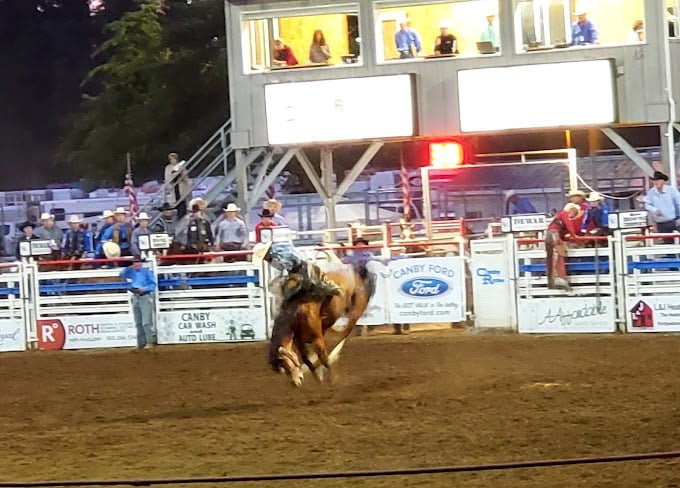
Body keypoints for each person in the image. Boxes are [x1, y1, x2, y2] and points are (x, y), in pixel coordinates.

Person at [120, 257, 157, 350]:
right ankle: (140, 343)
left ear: (141, 263)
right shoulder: (131, 271)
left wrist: (144, 289)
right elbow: (121, 274)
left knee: (146, 322)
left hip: (144, 295)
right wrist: (129, 266)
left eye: (138, 262)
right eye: (134, 262)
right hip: (135, 295)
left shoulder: (146, 272)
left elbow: (153, 285)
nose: (136, 264)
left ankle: (149, 342)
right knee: (138, 322)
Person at [545, 203, 583, 290]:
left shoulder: (560, 216)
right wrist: (574, 236)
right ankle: (560, 278)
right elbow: (569, 226)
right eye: (574, 212)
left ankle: (553, 280)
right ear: (571, 210)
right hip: (554, 234)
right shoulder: (564, 214)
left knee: (552, 257)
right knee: (559, 254)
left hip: (551, 234)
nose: (573, 214)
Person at [644, 171, 680, 243]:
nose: (656, 182)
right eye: (655, 181)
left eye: (658, 180)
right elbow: (647, 204)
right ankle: (670, 254)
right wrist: (654, 210)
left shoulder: (671, 191)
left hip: (674, 221)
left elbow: (678, 203)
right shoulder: (651, 192)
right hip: (661, 223)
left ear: (663, 181)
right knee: (667, 243)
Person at [164, 152, 190, 219]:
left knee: (183, 204)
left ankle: (183, 216)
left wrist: (180, 172)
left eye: (174, 159)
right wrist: (174, 174)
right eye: (171, 159)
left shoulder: (181, 166)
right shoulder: (168, 168)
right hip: (174, 188)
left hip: (181, 188)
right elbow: (168, 178)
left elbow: (185, 177)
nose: (173, 160)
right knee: (176, 204)